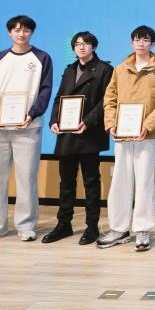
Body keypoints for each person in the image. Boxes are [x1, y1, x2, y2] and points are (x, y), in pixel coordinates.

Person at [0, 15, 53, 243]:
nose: (21, 34)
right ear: (9, 32)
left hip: (28, 127)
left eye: (26, 30)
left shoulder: (42, 58)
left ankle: (26, 225)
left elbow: (45, 90)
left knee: (26, 178)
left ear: (32, 33)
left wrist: (32, 114)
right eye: (17, 30)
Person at [98, 25, 155, 252]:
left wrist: (147, 126)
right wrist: (111, 123)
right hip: (122, 135)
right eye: (137, 40)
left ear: (152, 43)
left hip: (146, 136)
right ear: (132, 43)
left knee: (144, 182)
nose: (141, 43)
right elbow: (109, 98)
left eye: (146, 40)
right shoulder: (120, 68)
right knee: (119, 181)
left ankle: (142, 229)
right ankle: (119, 229)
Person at [43, 31, 113, 245]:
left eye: (86, 43)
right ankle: (63, 224)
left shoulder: (104, 69)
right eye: (77, 44)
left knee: (91, 182)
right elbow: (59, 98)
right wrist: (54, 120)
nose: (81, 47)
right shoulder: (69, 69)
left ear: (94, 46)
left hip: (89, 133)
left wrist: (88, 121)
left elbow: (106, 100)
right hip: (66, 133)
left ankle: (92, 226)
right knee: (66, 182)